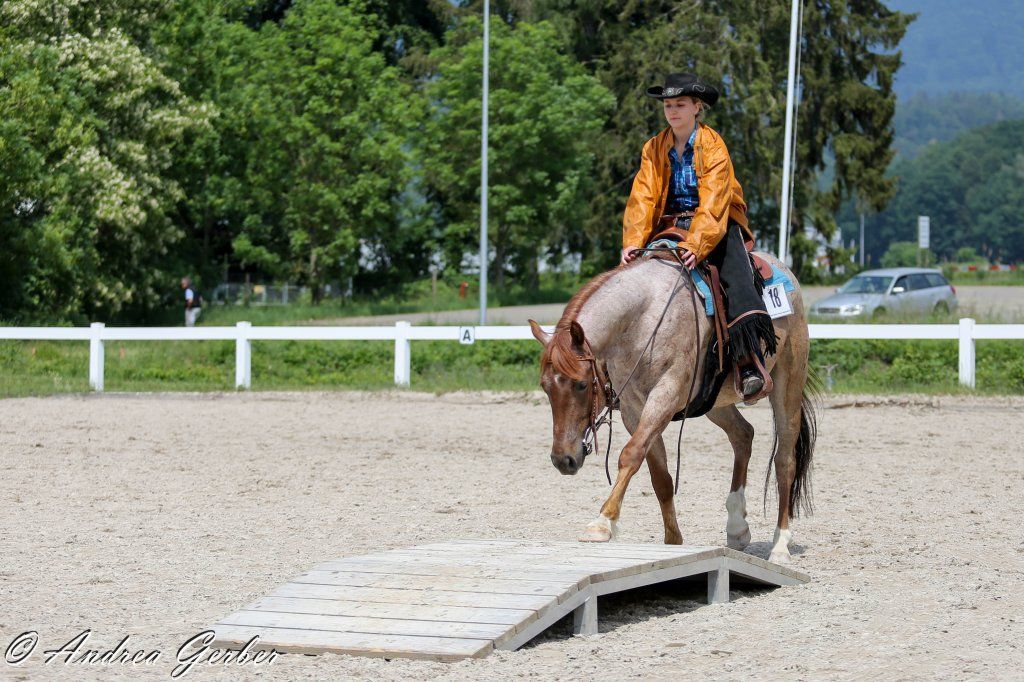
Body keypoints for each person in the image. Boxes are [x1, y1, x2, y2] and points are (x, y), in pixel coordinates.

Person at [621, 72, 776, 400]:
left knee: (737, 279)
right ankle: (617, 371)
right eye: (667, 105)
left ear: (697, 107)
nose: (672, 111)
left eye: (680, 104)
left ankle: (749, 361)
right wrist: (634, 241)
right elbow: (643, 197)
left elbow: (715, 198)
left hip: (714, 225)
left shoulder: (712, 144)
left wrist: (698, 242)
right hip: (668, 227)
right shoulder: (654, 148)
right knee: (627, 282)